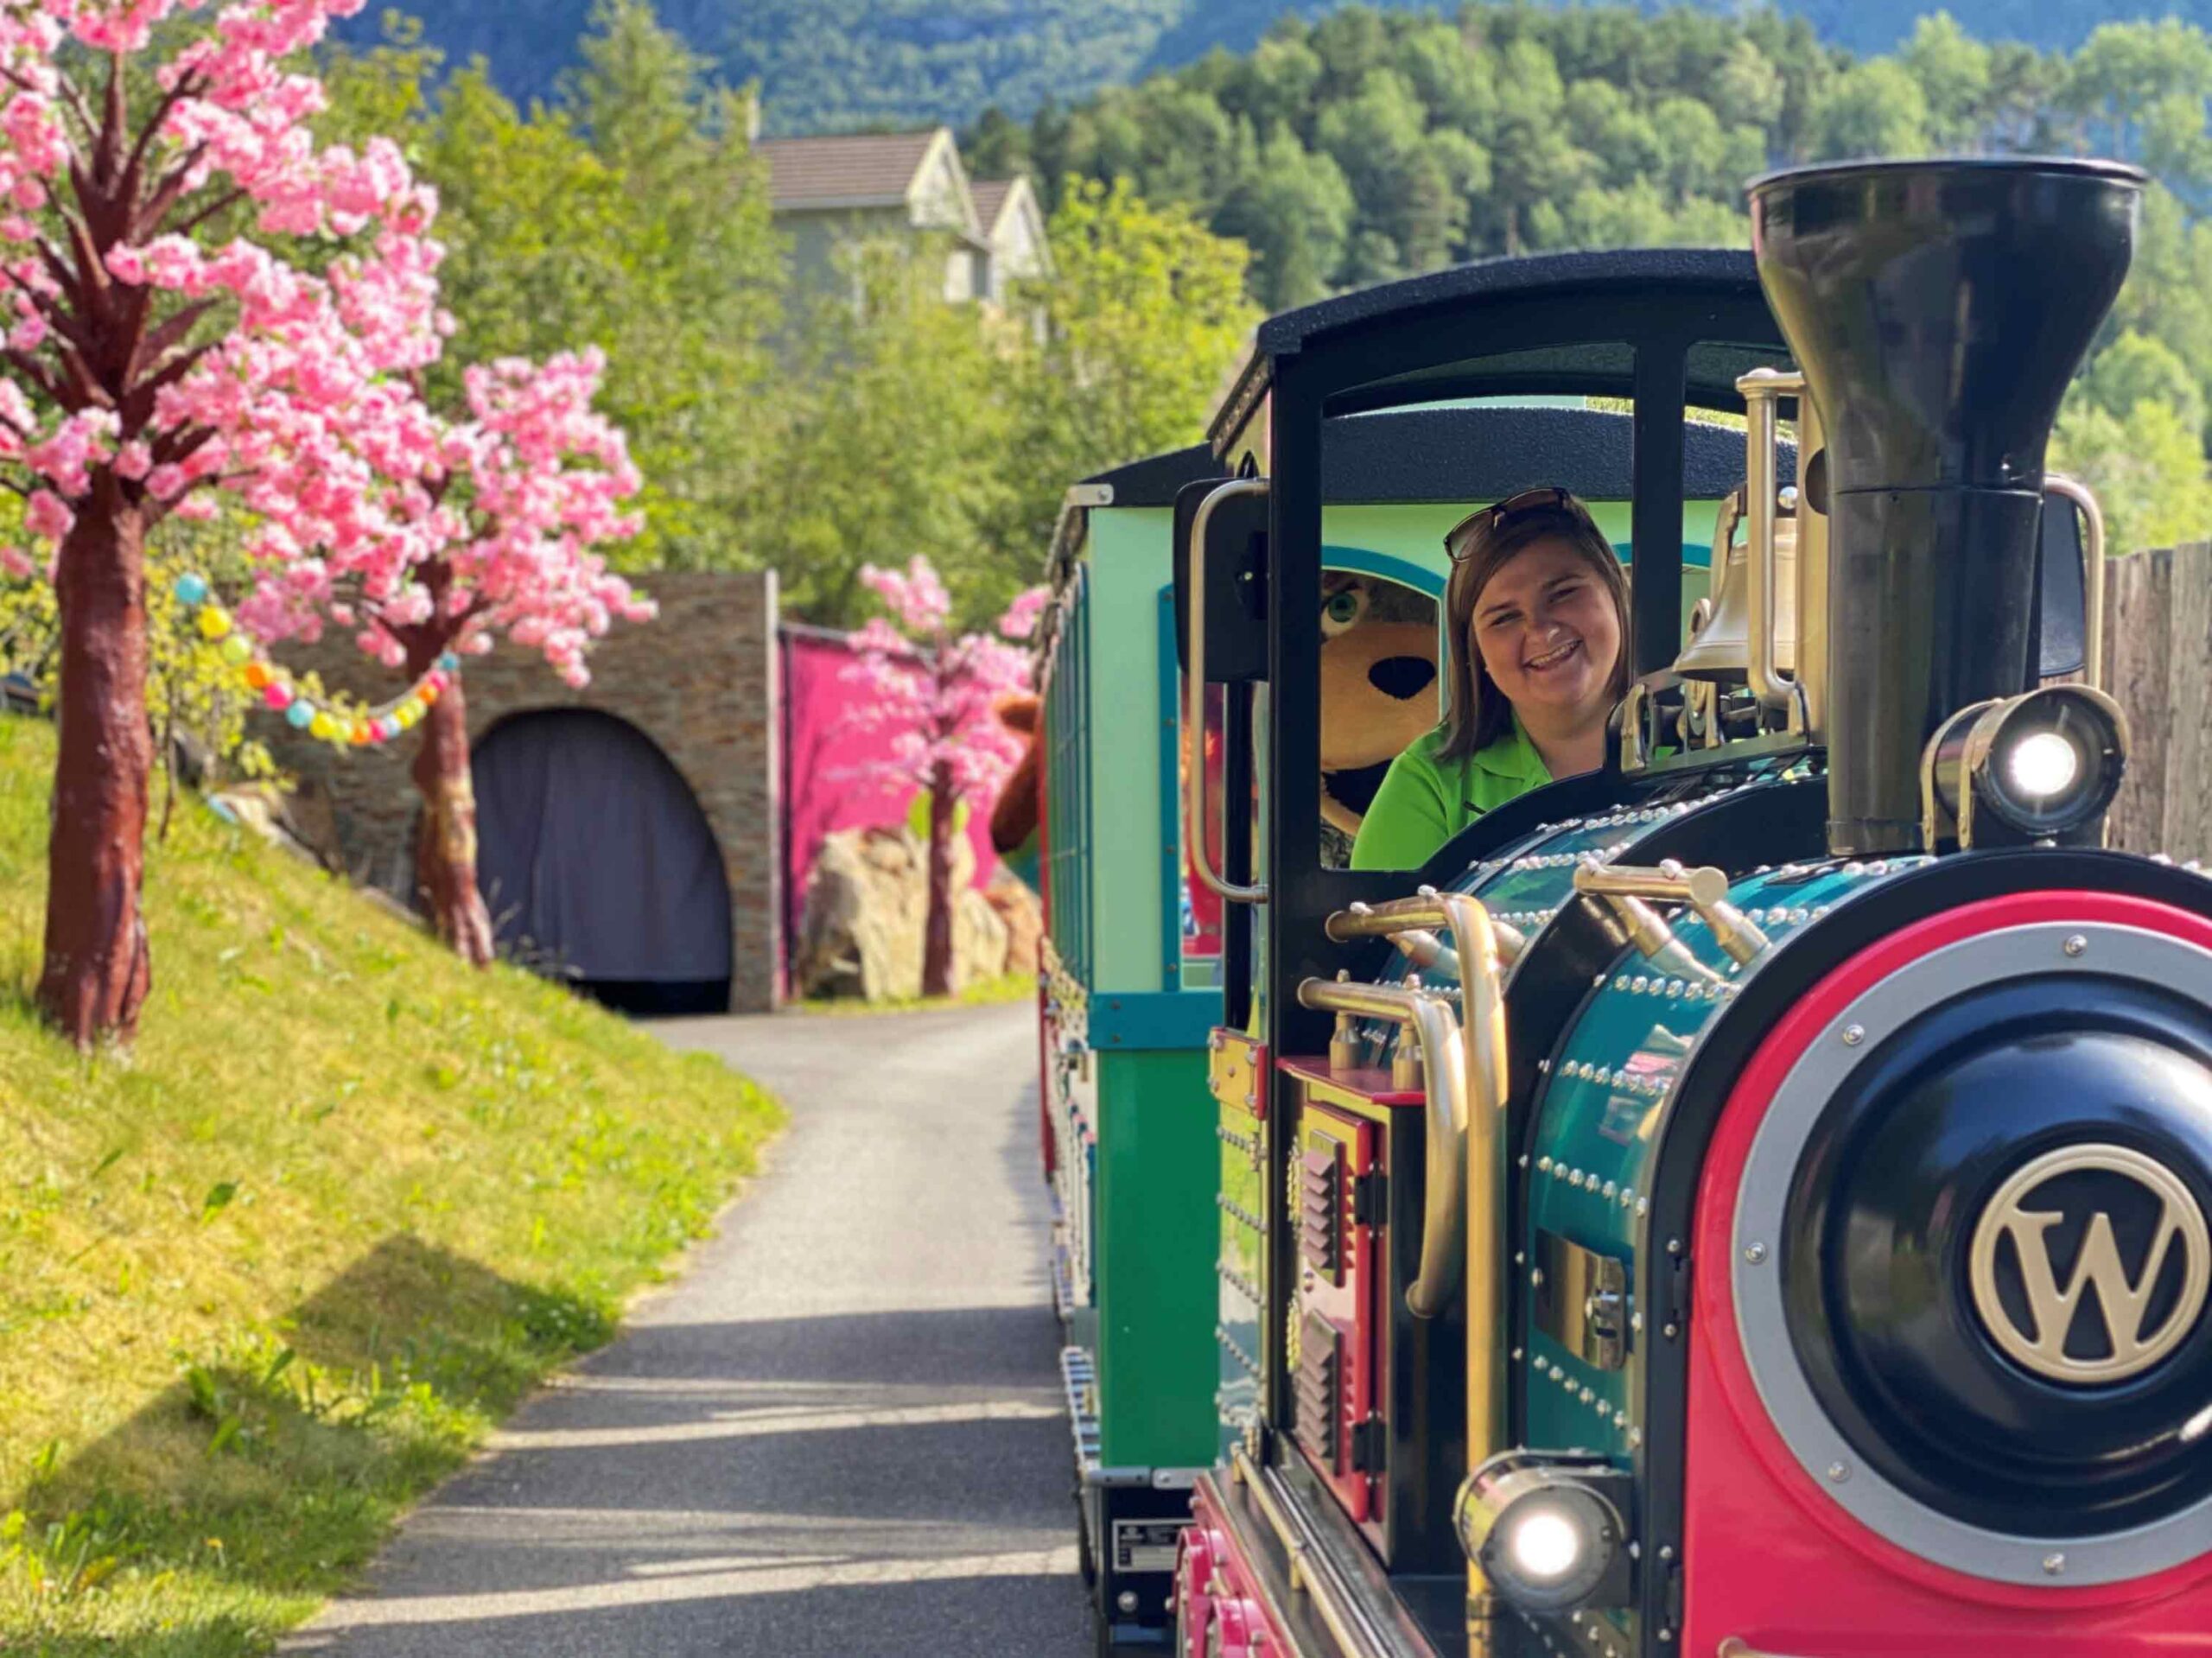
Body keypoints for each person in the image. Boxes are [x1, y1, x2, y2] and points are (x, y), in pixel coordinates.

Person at [1351, 486, 1631, 870]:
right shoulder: (1429, 785)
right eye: (1505, 618)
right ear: (1475, 651)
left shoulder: (1700, 744)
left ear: (1616, 593)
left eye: (1563, 594)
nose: (1541, 631)